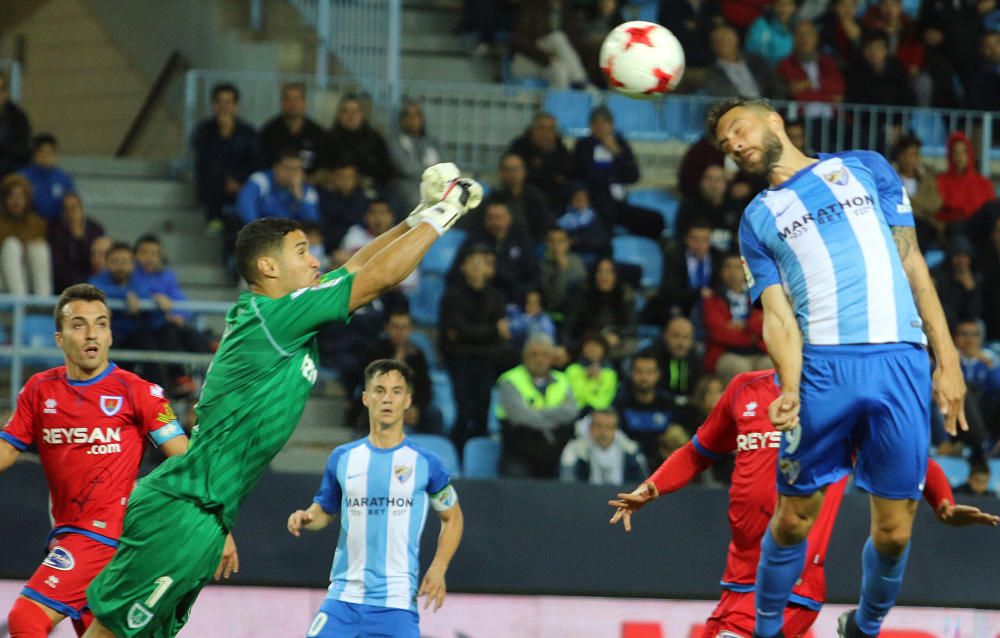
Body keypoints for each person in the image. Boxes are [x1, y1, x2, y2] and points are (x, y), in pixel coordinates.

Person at [81, 163, 483, 638]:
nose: (316, 261)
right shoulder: (273, 318)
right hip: (182, 509)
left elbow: (354, 267)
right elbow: (374, 279)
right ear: (268, 267)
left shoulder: (284, 317)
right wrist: (446, 212)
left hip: (207, 517)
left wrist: (415, 217)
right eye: (302, 252)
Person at [707, 96, 966, 637]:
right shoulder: (757, 219)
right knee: (794, 516)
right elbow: (777, 317)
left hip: (900, 360)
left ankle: (864, 627)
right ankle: (768, 628)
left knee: (895, 532)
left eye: (737, 128)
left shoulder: (867, 167)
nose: (733, 144)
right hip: (825, 369)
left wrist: (948, 360)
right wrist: (792, 386)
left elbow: (912, 261)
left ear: (773, 119)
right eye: (725, 144)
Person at [608, 370, 998, 638]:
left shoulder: (838, 403)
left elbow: (909, 456)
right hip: (739, 577)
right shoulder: (745, 389)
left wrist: (942, 502)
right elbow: (698, 452)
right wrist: (652, 487)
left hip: (792, 583)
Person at [0, 284, 232, 636]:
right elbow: (8, 448)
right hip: (69, 535)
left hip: (106, 535)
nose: (92, 333)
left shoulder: (137, 391)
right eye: (79, 325)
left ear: (110, 335)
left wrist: (220, 526)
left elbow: (188, 461)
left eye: (101, 323)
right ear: (60, 338)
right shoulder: (38, 389)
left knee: (25, 618)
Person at [286, 359, 464, 637]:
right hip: (343, 600)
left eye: (396, 391)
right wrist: (306, 518)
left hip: (396, 606)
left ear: (407, 400)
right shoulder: (343, 458)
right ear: (366, 398)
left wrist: (439, 567)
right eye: (379, 390)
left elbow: (452, 517)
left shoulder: (425, 462)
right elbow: (324, 510)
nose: (387, 399)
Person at [439, 245, 509, 452]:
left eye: (483, 263)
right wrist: (491, 330)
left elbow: (494, 336)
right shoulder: (452, 296)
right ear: (463, 266)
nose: (479, 267)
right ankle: (456, 456)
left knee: (482, 410)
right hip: (459, 361)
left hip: (485, 362)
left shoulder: (496, 297)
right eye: (474, 262)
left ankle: (476, 458)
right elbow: (455, 331)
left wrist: (468, 334)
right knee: (462, 410)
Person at [573, 106, 663, 239]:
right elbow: (590, 175)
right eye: (596, 123)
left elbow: (633, 176)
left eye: (604, 122)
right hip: (597, 203)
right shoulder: (583, 146)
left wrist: (616, 152)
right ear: (590, 126)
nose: (600, 127)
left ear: (612, 125)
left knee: (655, 219)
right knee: (605, 208)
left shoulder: (621, 144)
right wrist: (614, 175)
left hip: (620, 205)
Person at [496, 333, 577, 479]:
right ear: (524, 356)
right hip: (519, 453)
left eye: (545, 354)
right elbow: (520, 416)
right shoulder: (509, 380)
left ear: (552, 357)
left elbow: (571, 412)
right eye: (534, 354)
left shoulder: (563, 380)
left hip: (555, 452)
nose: (539, 359)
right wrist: (553, 419)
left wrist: (538, 412)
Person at [191, 83, 261, 232]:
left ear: (235, 106)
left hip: (241, 184)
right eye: (219, 102)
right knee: (213, 172)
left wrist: (239, 182)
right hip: (213, 185)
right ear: (214, 105)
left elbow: (255, 162)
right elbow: (204, 159)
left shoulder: (248, 132)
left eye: (228, 102)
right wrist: (222, 135)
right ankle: (214, 220)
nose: (223, 107)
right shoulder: (203, 130)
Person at [703, 253, 769, 382]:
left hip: (759, 351)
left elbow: (766, 325)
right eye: (727, 267)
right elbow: (719, 333)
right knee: (741, 369)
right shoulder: (712, 299)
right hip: (727, 353)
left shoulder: (759, 296)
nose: (732, 272)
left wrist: (744, 326)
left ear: (746, 272)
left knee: (770, 365)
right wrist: (752, 335)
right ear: (721, 272)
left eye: (737, 267)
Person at [614, 351, 680, 467]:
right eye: (639, 372)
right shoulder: (621, 403)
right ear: (631, 373)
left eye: (649, 372)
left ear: (658, 374)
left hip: (664, 465)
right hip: (629, 465)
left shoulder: (668, 403)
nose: (644, 377)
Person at [507, 111, 576, 212]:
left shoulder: (560, 147)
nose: (546, 133)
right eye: (541, 128)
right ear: (533, 129)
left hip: (556, 199)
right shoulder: (519, 146)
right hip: (526, 198)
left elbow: (568, 171)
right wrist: (551, 172)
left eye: (550, 129)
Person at [560, 409, 647, 485]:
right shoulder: (575, 450)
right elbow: (567, 485)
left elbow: (642, 483)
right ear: (590, 427)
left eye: (608, 427)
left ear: (615, 430)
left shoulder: (630, 451)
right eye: (598, 426)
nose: (603, 432)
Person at [236, 148, 319, 226]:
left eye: (296, 169)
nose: (291, 173)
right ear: (275, 167)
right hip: (262, 233)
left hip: (290, 237)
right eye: (287, 168)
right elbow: (245, 204)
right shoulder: (261, 180)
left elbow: (311, 223)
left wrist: (299, 197)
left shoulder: (308, 192)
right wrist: (258, 232)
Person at [0, 173, 52, 296]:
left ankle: (43, 301)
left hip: (28, 276)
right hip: (4, 277)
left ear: (27, 199)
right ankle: (19, 301)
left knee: (39, 248)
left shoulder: (38, 222)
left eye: (20, 196)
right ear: (5, 199)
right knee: (11, 245)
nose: (16, 201)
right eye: (11, 196)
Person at [258, 82, 328, 173]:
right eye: (287, 99)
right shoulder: (268, 132)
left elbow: (324, 169)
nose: (292, 104)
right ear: (281, 103)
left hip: (309, 184)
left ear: (304, 102)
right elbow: (262, 165)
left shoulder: (318, 134)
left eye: (296, 99)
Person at [327, 94, 394, 188]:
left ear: (361, 114)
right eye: (345, 111)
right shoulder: (328, 139)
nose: (350, 116)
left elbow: (386, 171)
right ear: (338, 115)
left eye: (354, 111)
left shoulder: (375, 139)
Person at [703, 24, 786, 100]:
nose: (725, 43)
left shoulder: (758, 62)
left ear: (736, 40)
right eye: (719, 41)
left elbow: (776, 86)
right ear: (713, 45)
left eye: (728, 39)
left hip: (766, 108)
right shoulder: (711, 73)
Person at [389, 100, 443, 211]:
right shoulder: (394, 142)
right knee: (416, 200)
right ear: (401, 120)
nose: (413, 119)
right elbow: (406, 168)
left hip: (432, 188)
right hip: (407, 191)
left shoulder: (434, 143)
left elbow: (443, 168)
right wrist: (430, 171)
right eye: (408, 115)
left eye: (417, 114)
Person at [935, 132, 996, 226]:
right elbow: (940, 208)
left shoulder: (983, 183)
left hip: (980, 228)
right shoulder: (941, 181)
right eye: (955, 152)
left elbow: (992, 209)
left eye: (963, 152)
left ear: (969, 154)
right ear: (950, 155)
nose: (960, 156)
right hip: (955, 226)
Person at [47, 193, 105, 293]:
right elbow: (58, 266)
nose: (70, 213)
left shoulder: (96, 230)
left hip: (92, 282)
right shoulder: (55, 232)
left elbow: (97, 260)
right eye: (66, 209)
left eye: (73, 208)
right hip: (63, 286)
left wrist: (79, 238)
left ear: (81, 208)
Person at [19, 134, 75, 222]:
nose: (45, 157)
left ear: (56, 155)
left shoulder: (64, 178)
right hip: (28, 223)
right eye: (41, 152)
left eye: (49, 152)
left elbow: (71, 204)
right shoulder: (22, 176)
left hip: (57, 226)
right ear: (34, 155)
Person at [650, 316, 704, 403]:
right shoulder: (652, 358)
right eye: (676, 336)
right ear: (665, 336)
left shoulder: (696, 360)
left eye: (686, 337)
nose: (681, 343)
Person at [564, 332, 619, 412]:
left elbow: (604, 401)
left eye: (596, 346)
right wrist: (585, 377)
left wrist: (596, 381)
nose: (591, 349)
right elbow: (573, 396)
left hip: (597, 415)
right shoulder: (573, 369)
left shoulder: (610, 374)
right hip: (573, 412)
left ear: (603, 349)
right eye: (588, 345)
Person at [744, 0, 797, 67]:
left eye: (788, 4)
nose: (783, 8)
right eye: (779, 4)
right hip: (764, 71)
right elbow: (752, 52)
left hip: (788, 71)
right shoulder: (761, 25)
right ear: (774, 6)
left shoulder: (797, 28)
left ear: (793, 7)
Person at [0, 70, 31, 178]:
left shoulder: (18, 117)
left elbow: (24, 152)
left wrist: (3, 146)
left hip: (10, 170)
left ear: (6, 93)